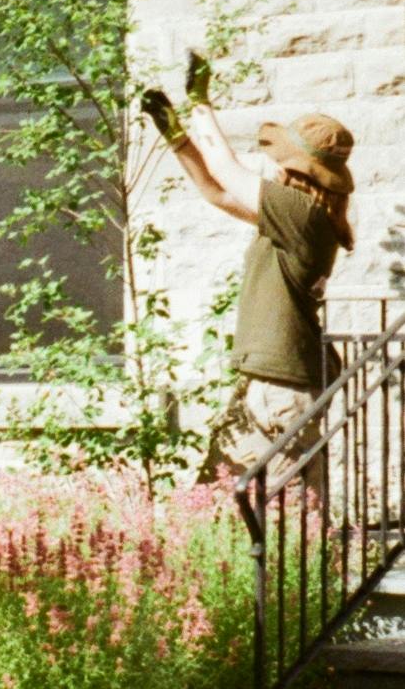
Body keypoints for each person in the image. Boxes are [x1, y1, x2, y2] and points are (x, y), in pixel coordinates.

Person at [144, 91, 354, 482]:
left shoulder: (302, 214)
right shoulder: (296, 220)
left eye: (281, 159)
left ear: (301, 173)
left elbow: (226, 169)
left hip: (281, 390)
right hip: (266, 382)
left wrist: (198, 102)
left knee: (284, 515)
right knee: (222, 499)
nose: (274, 166)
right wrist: (176, 136)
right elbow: (218, 192)